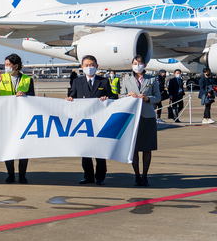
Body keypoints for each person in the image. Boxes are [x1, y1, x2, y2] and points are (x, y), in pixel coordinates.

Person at [66, 55, 117, 185]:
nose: (89, 67)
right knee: (86, 151)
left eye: (92, 65)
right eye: (87, 65)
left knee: (100, 151)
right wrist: (70, 100)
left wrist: (107, 99)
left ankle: (100, 177)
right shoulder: (77, 82)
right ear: (82, 67)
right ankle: (87, 176)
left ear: (97, 66)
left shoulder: (104, 81)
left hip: (99, 121)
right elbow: (73, 95)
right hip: (83, 121)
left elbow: (113, 97)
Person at [0, 54, 34, 184]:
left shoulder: (27, 79)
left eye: (9, 65)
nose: (6, 67)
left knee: (23, 148)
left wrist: (25, 94)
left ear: (16, 66)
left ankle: (22, 174)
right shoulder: (2, 78)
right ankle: (10, 174)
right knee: (8, 147)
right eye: (6, 65)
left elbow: (33, 97)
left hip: (22, 117)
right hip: (6, 117)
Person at [120, 55, 161, 186]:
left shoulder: (152, 79)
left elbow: (158, 97)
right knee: (134, 149)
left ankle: (145, 176)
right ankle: (137, 175)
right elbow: (121, 97)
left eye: (140, 63)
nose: (138, 65)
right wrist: (128, 96)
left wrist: (148, 98)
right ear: (131, 66)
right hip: (133, 117)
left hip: (147, 116)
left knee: (147, 148)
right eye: (135, 63)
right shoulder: (126, 80)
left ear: (145, 65)